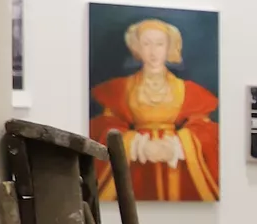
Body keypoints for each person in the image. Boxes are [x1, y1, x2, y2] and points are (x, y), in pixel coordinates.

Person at [90, 17, 219, 202]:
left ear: (169, 47)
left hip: (179, 168)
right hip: (135, 165)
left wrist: (178, 146)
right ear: (136, 47)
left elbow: (206, 129)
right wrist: (135, 144)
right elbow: (106, 125)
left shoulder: (189, 90)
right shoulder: (120, 88)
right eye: (146, 44)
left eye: (159, 44)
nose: (153, 52)